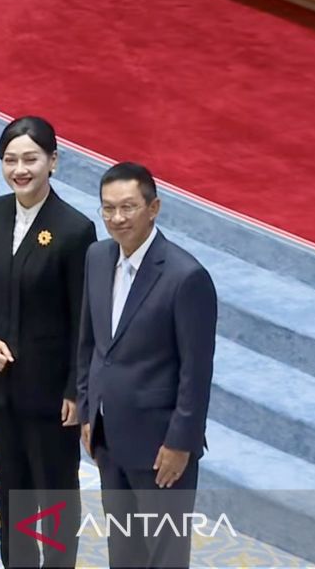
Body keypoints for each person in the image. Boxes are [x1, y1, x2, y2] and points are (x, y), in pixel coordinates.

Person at [0, 116, 96, 568]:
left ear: (52, 162)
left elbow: (84, 320)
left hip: (52, 395)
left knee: (54, 496)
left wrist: (76, 390)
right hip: (3, 387)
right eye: (10, 160)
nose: (20, 169)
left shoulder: (74, 230)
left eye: (31, 159)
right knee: (12, 491)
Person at [77, 162, 217, 569]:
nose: (117, 218)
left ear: (153, 208)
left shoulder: (186, 277)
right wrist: (87, 409)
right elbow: (89, 342)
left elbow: (196, 372)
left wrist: (180, 443)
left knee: (164, 556)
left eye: (128, 207)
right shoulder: (97, 257)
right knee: (124, 552)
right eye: (108, 208)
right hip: (108, 437)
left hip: (160, 448)